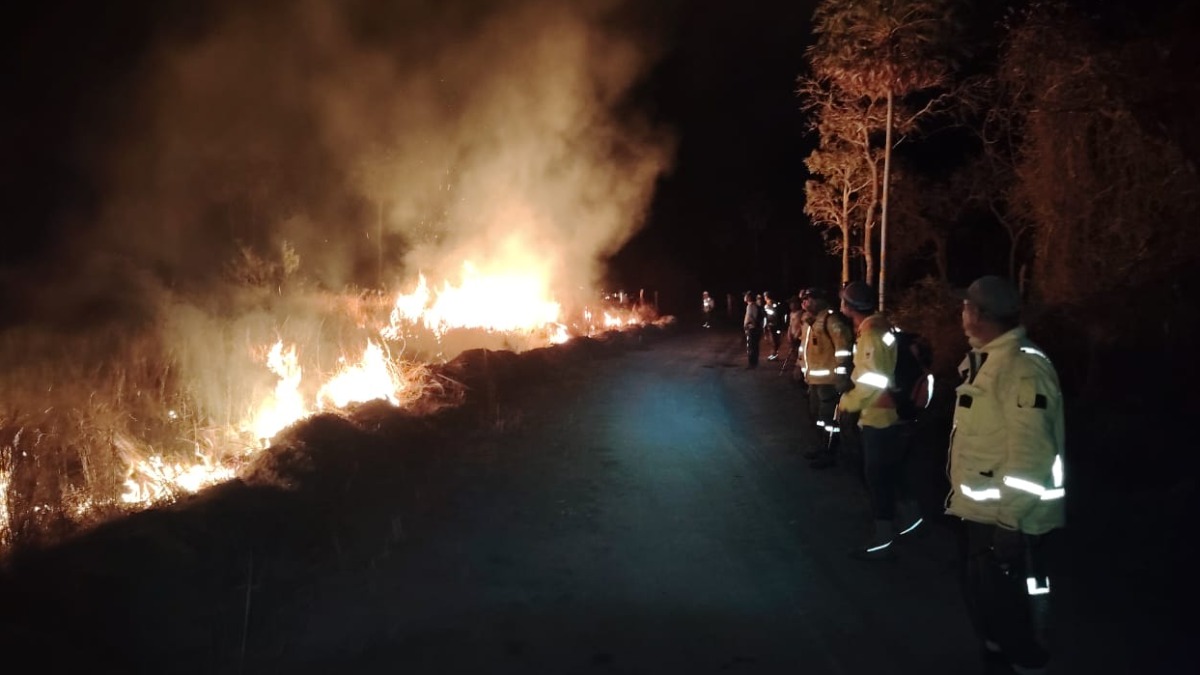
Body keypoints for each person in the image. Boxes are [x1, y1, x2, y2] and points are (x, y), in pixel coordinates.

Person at [946, 276, 1065, 675]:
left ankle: (1025, 664)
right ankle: (997, 659)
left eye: (966, 307)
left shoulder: (1021, 367)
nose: (962, 313)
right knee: (989, 608)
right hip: (985, 514)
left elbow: (1032, 456)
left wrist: (1011, 524)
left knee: (1012, 617)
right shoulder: (989, 362)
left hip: (1010, 519)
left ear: (978, 314)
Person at [836, 281, 920, 560]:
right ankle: (910, 518)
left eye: (843, 300)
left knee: (876, 476)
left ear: (850, 306)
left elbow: (874, 381)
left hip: (880, 416)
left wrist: (847, 402)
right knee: (890, 470)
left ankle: (883, 537)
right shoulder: (882, 328)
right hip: (890, 413)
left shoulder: (871, 336)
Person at [798, 288, 855, 469]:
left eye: (808, 299)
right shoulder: (809, 322)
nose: (805, 303)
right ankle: (822, 447)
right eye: (803, 300)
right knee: (818, 416)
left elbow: (843, 348)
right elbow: (805, 349)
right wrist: (800, 368)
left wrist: (841, 375)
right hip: (814, 380)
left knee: (829, 419)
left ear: (819, 300)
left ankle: (831, 453)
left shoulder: (831, 320)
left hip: (829, 381)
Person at [743, 291, 763, 368]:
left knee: (752, 347)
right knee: (753, 346)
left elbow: (753, 317)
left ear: (749, 297)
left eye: (746, 296)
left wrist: (749, 325)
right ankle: (753, 363)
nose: (744, 297)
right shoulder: (750, 306)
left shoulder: (751, 306)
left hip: (752, 329)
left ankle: (752, 363)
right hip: (752, 328)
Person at [763, 291, 785, 360]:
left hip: (774, 324)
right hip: (772, 324)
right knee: (773, 340)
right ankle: (773, 354)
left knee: (775, 340)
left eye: (765, 296)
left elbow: (773, 314)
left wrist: (766, 310)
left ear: (766, 296)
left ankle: (775, 355)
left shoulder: (771, 304)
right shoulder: (769, 304)